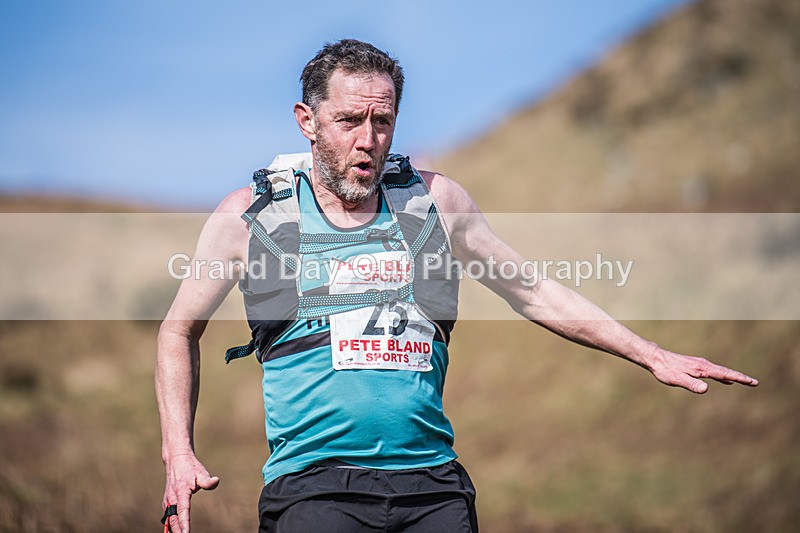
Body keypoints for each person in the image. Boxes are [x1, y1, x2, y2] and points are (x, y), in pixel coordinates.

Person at [155, 39, 759, 533]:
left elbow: (532, 291)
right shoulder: (252, 219)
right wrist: (178, 453)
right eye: (348, 121)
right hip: (315, 489)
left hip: (433, 489)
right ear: (306, 122)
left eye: (382, 120)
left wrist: (651, 354)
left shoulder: (436, 204)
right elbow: (178, 332)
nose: (368, 140)